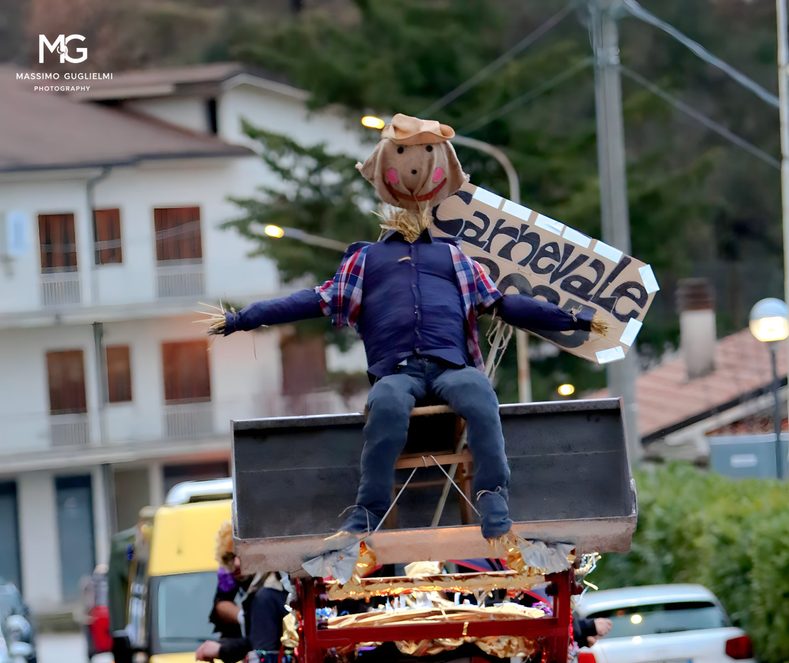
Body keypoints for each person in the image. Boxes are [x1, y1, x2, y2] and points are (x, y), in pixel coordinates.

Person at [204, 114, 604, 542]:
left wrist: (571, 320)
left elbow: (506, 304)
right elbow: (311, 300)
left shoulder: (455, 259)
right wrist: (244, 318)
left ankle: (492, 495)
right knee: (387, 403)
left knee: (479, 392)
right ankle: (368, 510)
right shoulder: (364, 261)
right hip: (398, 373)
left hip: (451, 367)